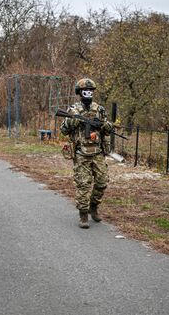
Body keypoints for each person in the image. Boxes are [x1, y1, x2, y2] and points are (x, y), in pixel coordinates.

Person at [60, 78, 113, 229]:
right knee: (83, 184)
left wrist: (102, 124)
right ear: (79, 93)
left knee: (102, 182)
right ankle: (83, 214)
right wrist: (75, 121)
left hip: (97, 152)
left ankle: (93, 207)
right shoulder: (73, 110)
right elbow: (64, 130)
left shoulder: (100, 110)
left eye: (90, 91)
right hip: (81, 152)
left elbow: (109, 129)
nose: (88, 94)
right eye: (85, 91)